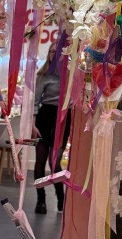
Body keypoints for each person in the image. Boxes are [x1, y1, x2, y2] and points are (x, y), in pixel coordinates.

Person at [33, 42, 71, 214]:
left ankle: (61, 198)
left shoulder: (71, 75)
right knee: (40, 161)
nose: (54, 55)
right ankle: (41, 200)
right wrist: (33, 124)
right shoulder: (43, 75)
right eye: (51, 51)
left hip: (62, 118)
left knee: (54, 162)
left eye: (58, 52)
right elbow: (35, 102)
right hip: (45, 117)